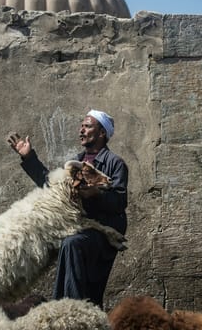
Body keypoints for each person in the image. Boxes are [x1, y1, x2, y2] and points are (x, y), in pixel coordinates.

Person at [7, 109, 128, 308]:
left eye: (88, 126)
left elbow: (119, 201)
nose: (81, 130)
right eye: (82, 126)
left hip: (104, 230)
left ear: (101, 134)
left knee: (72, 244)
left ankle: (69, 310)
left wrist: (96, 194)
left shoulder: (115, 164)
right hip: (81, 228)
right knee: (68, 246)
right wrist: (29, 158)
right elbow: (54, 187)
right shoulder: (76, 161)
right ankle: (66, 308)